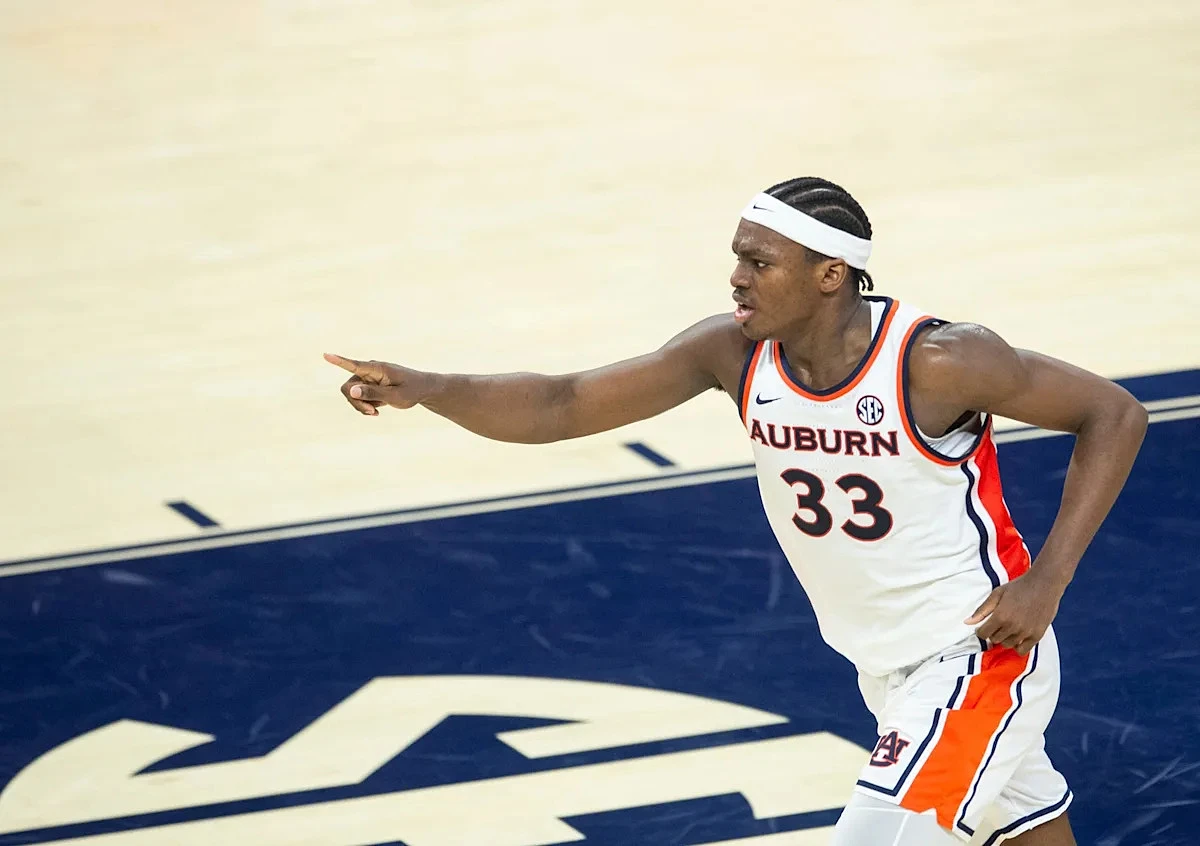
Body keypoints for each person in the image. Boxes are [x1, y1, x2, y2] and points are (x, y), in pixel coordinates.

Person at [324, 177, 1147, 845]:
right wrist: (431, 388)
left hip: (976, 656)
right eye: (737, 259)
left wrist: (1048, 580)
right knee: (1027, 827)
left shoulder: (938, 360)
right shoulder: (732, 352)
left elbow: (1114, 414)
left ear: (830, 273)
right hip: (880, 665)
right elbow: (562, 404)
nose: (737, 277)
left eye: (760, 261)